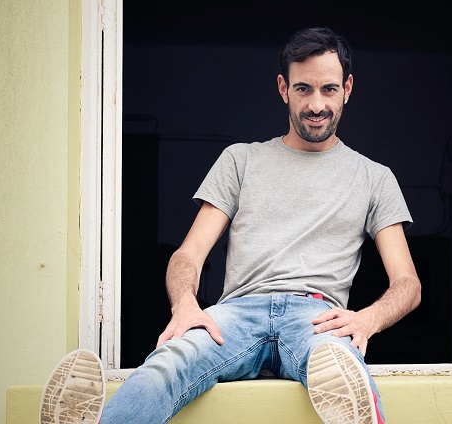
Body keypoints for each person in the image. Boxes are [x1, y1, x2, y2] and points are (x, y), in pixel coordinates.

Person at [41, 26, 421, 424]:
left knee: (342, 372)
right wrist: (185, 306)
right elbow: (188, 254)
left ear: (347, 89)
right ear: (283, 88)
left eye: (328, 89)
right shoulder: (240, 160)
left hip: (317, 319)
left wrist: (367, 320)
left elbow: (408, 284)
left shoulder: (374, 178)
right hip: (236, 315)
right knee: (170, 359)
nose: (316, 104)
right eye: (303, 89)